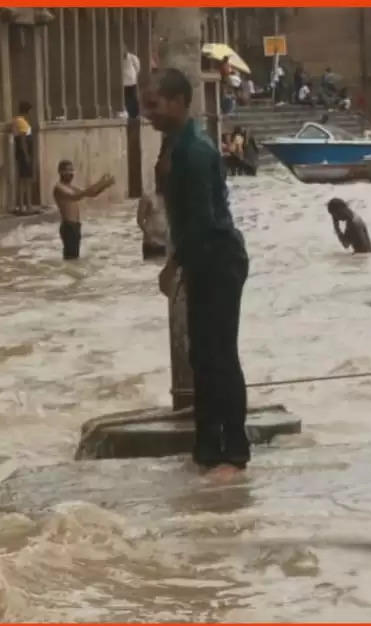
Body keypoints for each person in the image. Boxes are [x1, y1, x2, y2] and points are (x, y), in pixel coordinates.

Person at [148, 68, 251, 480]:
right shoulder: (174, 145)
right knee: (201, 356)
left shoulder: (195, 150)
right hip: (200, 257)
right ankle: (206, 447)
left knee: (220, 355)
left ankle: (234, 451)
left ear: (177, 101)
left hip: (218, 256)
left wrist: (173, 266)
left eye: (153, 104)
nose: (147, 112)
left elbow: (203, 221)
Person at [52, 161, 115, 261]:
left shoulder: (71, 187)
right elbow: (76, 196)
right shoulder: (59, 188)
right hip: (68, 227)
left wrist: (104, 185)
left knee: (74, 258)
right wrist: (100, 183)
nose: (70, 173)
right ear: (60, 172)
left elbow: (91, 194)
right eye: (67, 170)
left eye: (72, 170)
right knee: (71, 259)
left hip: (75, 226)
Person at [11, 102, 39, 214]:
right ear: (27, 111)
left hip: (22, 154)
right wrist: (27, 155)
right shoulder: (21, 122)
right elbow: (22, 140)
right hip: (24, 154)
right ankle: (25, 205)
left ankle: (25, 205)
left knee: (24, 180)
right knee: (25, 180)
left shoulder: (17, 121)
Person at [137, 170, 169, 260]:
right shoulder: (148, 197)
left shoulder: (171, 198)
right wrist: (148, 235)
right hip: (151, 242)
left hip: (166, 242)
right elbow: (139, 220)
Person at [122, 50, 142, 118]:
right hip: (123, 82)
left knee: (133, 97)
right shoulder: (119, 58)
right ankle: (129, 112)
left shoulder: (132, 57)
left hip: (132, 80)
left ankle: (135, 113)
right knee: (126, 98)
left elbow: (137, 67)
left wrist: (134, 75)